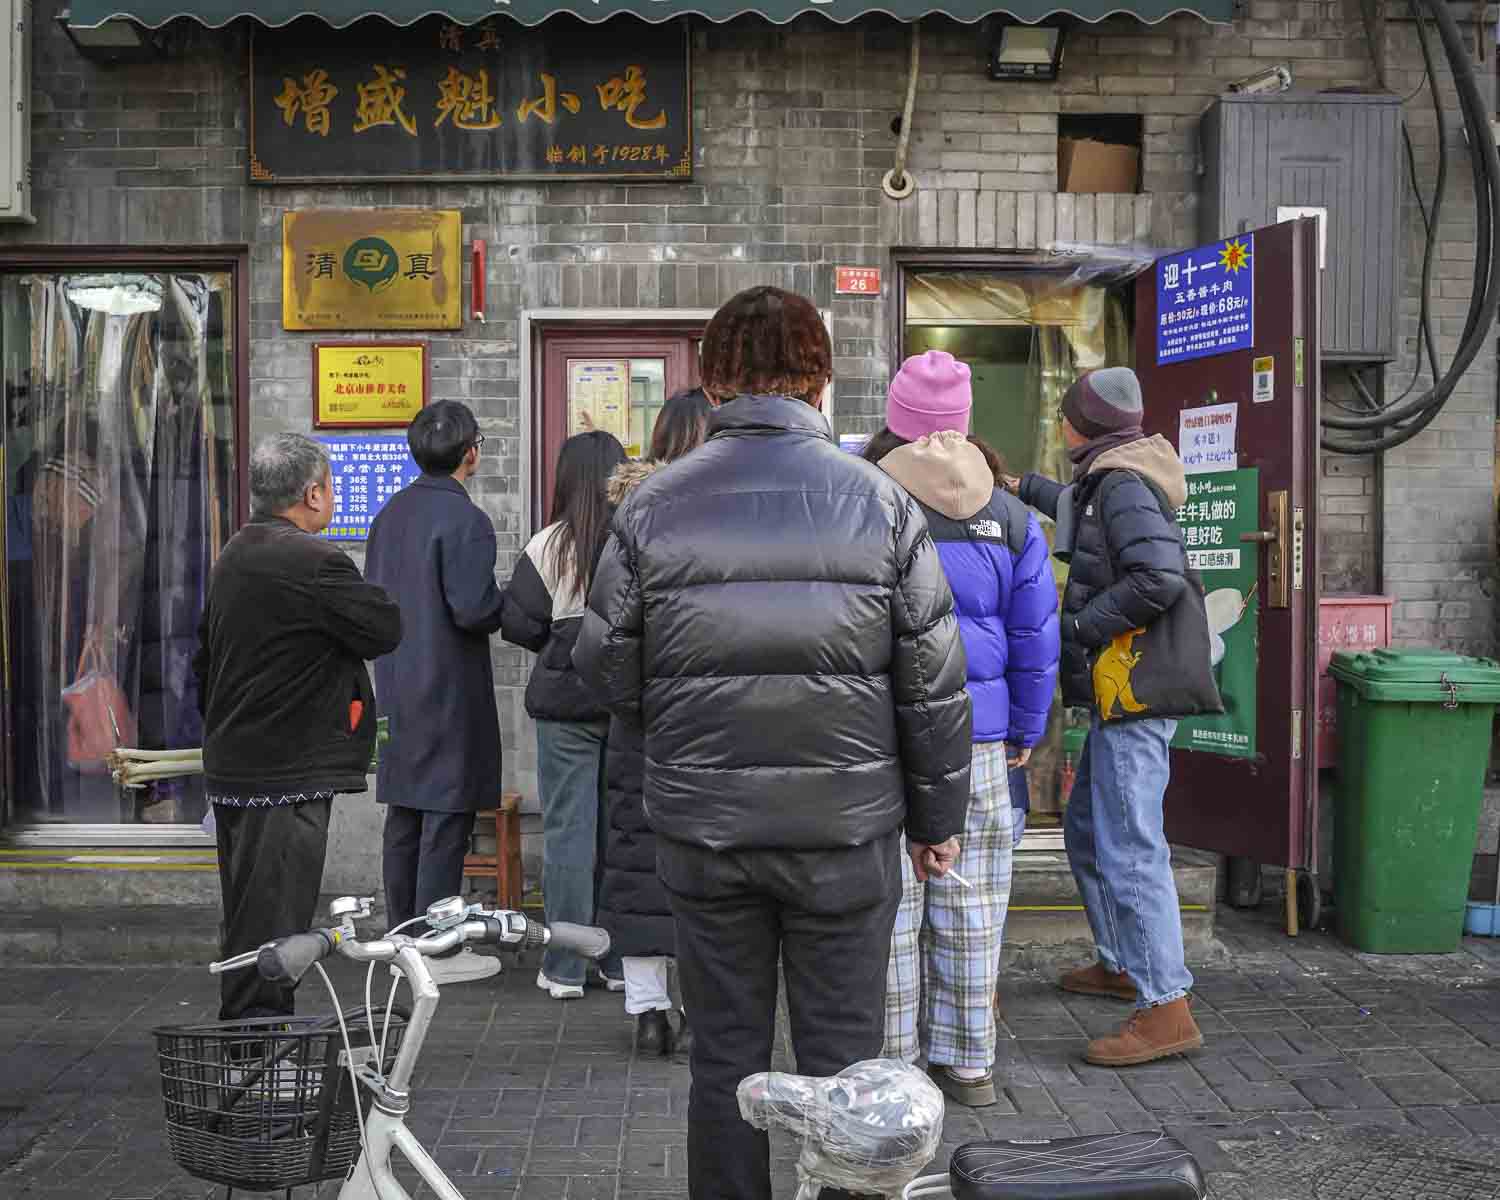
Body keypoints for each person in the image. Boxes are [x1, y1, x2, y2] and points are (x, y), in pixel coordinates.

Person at [574, 287, 972, 1200]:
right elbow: (934, 684)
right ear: (821, 379)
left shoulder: (653, 507)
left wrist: (674, 722)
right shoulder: (881, 503)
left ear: (712, 380)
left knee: (725, 1062)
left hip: (706, 833)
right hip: (846, 833)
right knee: (845, 1071)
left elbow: (604, 669)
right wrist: (936, 819)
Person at [864, 351, 1060, 1109]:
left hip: (886, 735)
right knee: (974, 902)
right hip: (980, 738)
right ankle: (971, 1062)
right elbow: (1035, 632)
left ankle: (896, 1066)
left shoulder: (867, 498)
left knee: (893, 907)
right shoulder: (1011, 515)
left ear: (897, 419)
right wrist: (1029, 725)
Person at [1002, 366, 1203, 1067]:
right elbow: (1083, 514)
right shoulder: (1111, 479)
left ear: (1079, 425)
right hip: (1124, 696)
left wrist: (1084, 623)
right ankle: (1123, 962)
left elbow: (1159, 575)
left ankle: (1165, 1005)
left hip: (1135, 693)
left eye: (1064, 416)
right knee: (1089, 828)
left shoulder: (1120, 485)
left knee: (1129, 845)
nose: (1060, 427)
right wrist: (1022, 488)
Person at [194, 433, 401, 1021]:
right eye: (329, 487)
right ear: (312, 493)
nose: (331, 496)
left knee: (249, 913)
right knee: (274, 924)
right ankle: (256, 1053)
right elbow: (383, 627)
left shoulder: (235, 553)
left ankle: (249, 1047)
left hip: (239, 762)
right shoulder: (313, 560)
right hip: (282, 772)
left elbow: (203, 661)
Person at [365, 401, 506, 982]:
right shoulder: (465, 520)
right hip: (448, 686)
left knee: (404, 815)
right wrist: (513, 602)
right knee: (447, 819)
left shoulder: (389, 514)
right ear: (471, 453)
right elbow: (473, 610)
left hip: (395, 682)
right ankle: (435, 949)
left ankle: (402, 942)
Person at [591, 387, 712, 1056]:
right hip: (710, 728)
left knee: (638, 867)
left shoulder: (629, 518)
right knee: (704, 875)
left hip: (640, 725)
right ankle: (698, 1012)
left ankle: (646, 1015)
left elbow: (601, 641)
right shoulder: (723, 514)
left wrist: (631, 700)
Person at [501, 430, 628, 1000]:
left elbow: (518, 623)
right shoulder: (637, 537)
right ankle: (621, 961)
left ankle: (566, 968)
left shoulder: (548, 544)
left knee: (569, 834)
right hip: (627, 705)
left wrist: (559, 646)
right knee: (624, 833)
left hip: (564, 707)